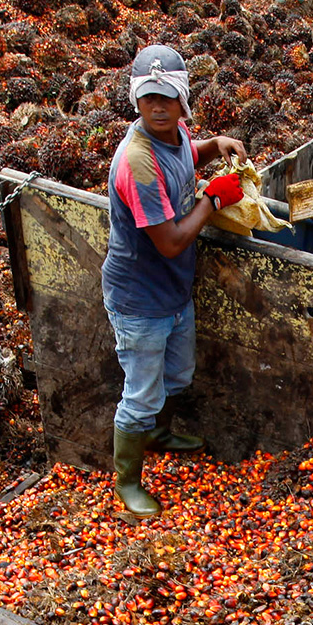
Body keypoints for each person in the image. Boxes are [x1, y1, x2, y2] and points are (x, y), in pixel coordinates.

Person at [102, 45, 249, 518]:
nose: (159, 107)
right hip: (140, 297)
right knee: (141, 392)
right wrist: (212, 199)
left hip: (172, 291)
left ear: (183, 98)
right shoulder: (137, 164)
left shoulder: (175, 131)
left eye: (167, 96)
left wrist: (216, 145)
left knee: (177, 375)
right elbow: (169, 241)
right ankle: (126, 481)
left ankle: (155, 432)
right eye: (149, 99)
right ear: (135, 100)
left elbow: (187, 152)